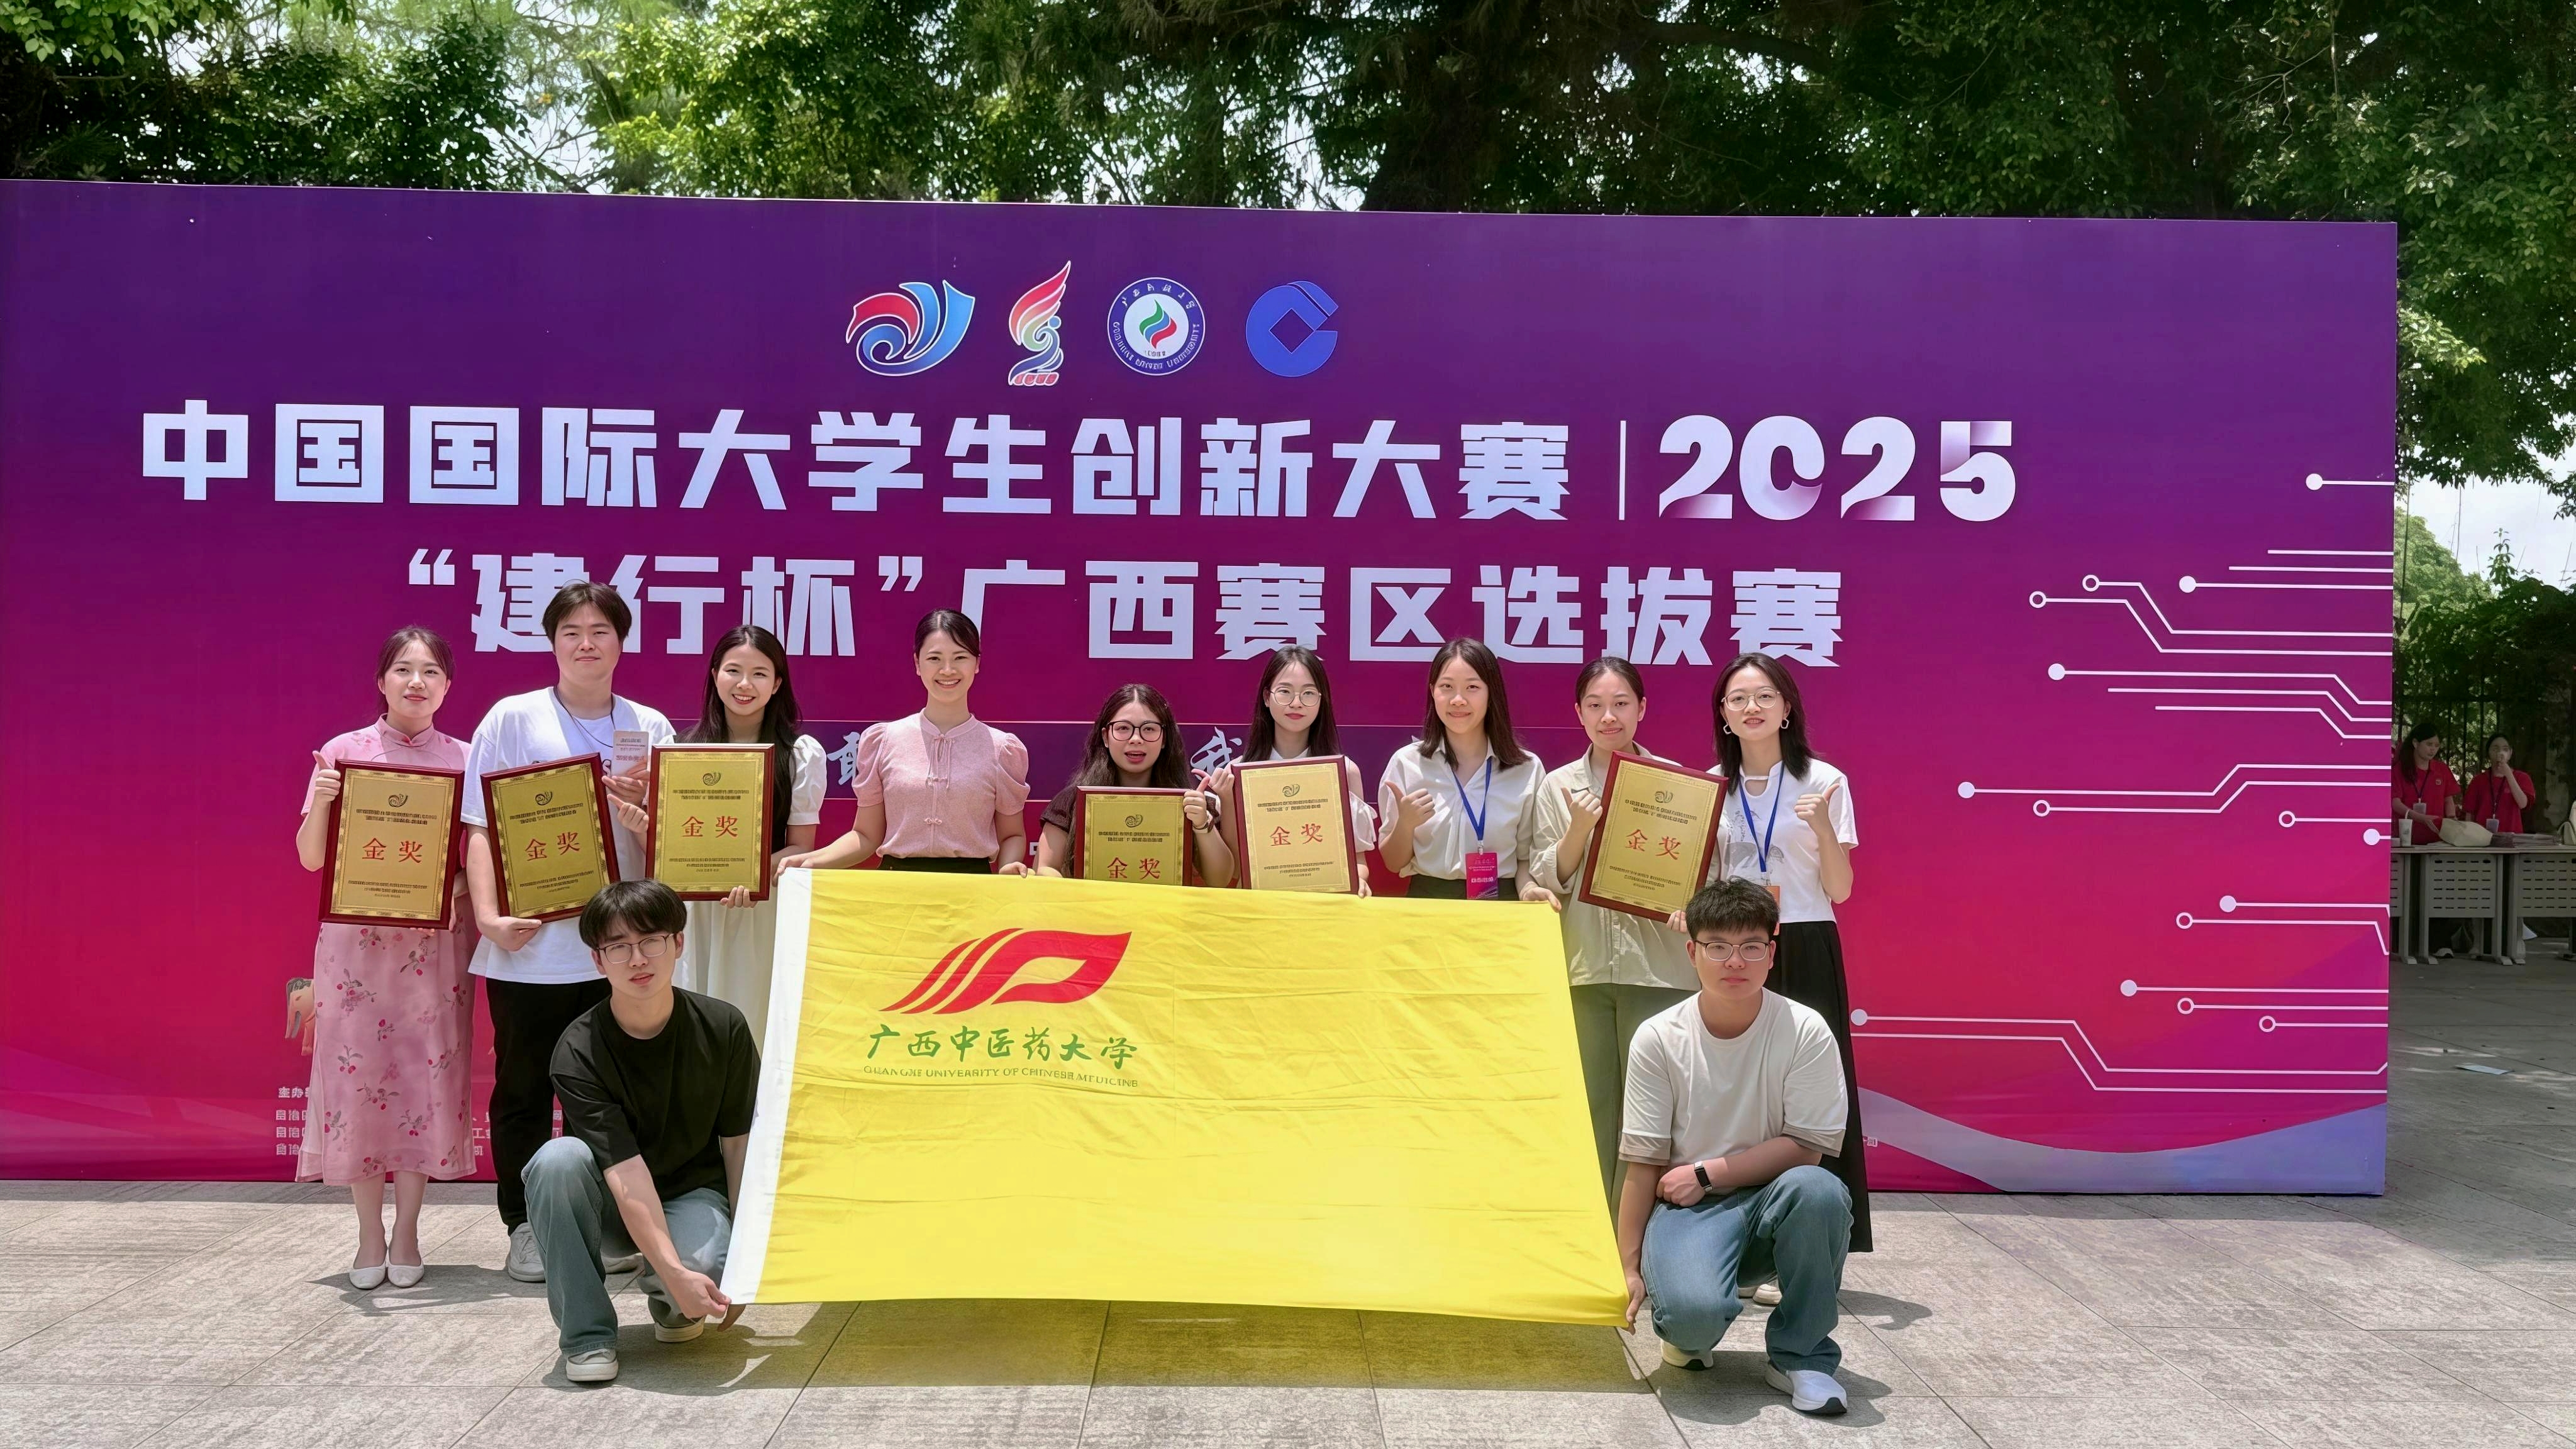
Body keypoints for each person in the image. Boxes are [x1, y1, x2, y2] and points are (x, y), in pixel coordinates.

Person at [462, 580, 675, 1282]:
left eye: (601, 631)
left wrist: (645, 813)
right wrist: (489, 919)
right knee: (522, 1093)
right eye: (572, 632)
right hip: (531, 950)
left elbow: (669, 848)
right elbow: (480, 827)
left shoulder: (651, 727)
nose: (587, 644)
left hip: (618, 953)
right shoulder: (513, 718)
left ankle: (605, 1225)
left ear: (622, 642)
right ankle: (525, 1227)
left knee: (609, 1097)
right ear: (552, 643)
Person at [1619, 879, 1852, 1416]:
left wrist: (1706, 1172)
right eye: (1718, 946)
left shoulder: (1805, 1030)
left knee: (1818, 1190)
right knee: (1691, 1322)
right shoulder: (1658, 1036)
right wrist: (1626, 1266)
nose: (1734, 962)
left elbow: (1808, 1147)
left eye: (1751, 946)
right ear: (1692, 952)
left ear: (1772, 953)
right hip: (1691, 1212)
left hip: (1776, 1199)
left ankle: (1803, 1357)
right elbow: (1643, 1162)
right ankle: (1690, 1326)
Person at [292, 626, 478, 1289]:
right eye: (403, 669)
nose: (416, 682)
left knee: (422, 1079)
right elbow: (311, 858)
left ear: (448, 686)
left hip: (433, 949)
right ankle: (369, 1232)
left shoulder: (466, 759)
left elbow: (480, 862)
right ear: (381, 680)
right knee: (359, 1081)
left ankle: (408, 1232)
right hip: (355, 952)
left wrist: (455, 888)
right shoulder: (344, 753)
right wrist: (322, 800)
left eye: (431, 671)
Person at [524, 880, 757, 1385]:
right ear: (597, 960)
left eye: (651, 940)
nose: (637, 959)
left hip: (693, 1193)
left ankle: (675, 1308)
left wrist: (746, 1263)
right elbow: (625, 1173)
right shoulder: (578, 1050)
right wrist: (672, 1270)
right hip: (610, 1201)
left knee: (702, 1279)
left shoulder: (724, 1027)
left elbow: (739, 1147)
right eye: (618, 947)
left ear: (678, 943)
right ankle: (587, 1336)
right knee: (556, 1162)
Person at [1523, 657, 1705, 1206]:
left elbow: (1699, 873)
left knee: (1654, 1110)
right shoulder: (1557, 786)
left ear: (1642, 708)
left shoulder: (1676, 783)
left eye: (1621, 703)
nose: (1609, 716)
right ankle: (1597, 1231)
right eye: (1596, 705)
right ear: (1578, 713)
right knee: (1593, 1106)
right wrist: (1579, 829)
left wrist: (1687, 902)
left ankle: (1650, 1234)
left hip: (1660, 970)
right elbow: (1545, 877)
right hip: (1584, 968)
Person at [1707, 652, 1870, 1253]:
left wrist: (1824, 829)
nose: (1751, 708)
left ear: (1786, 709)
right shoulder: (1710, 787)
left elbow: (1841, 889)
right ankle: (1739, 1242)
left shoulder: (1825, 781)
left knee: (1813, 1090)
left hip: (1803, 940)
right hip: (1736, 949)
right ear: (1724, 715)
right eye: (1738, 699)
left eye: (1764, 696)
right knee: (1741, 1091)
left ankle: (1812, 1244)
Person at [780, 609, 1030, 876]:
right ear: (917, 663)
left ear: (977, 663)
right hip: (897, 887)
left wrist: (1008, 868)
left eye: (960, 658)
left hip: (973, 887)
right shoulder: (885, 740)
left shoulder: (1001, 749)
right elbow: (865, 836)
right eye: (934, 658)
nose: (947, 670)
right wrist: (811, 861)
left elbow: (1011, 835)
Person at [672, 626, 824, 1052]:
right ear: (715, 675)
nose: (744, 684)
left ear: (777, 684)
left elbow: (802, 847)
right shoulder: (679, 749)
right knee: (693, 1028)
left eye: (759, 674)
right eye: (733, 670)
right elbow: (670, 845)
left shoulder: (799, 754)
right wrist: (638, 819)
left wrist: (750, 876)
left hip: (760, 907)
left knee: (751, 1026)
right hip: (696, 912)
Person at [1377, 637, 1548, 902]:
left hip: (1501, 905)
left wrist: (1528, 890)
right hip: (1429, 902)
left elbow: (1526, 857)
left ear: (1491, 693)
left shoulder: (1526, 769)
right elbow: (1393, 863)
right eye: (1447, 687)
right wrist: (1406, 824)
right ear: (1433, 691)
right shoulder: (1407, 763)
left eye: (1472, 687)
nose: (1458, 700)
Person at [1206, 645, 1377, 894]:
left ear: (1321, 700)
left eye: (1308, 693)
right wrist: (1227, 798)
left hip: (1322, 905)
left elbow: (1358, 861)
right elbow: (1236, 870)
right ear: (1267, 698)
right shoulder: (1238, 772)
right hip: (1261, 906)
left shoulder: (1344, 772)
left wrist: (1358, 880)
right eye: (1285, 692)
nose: (1296, 703)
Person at [1033, 684, 1234, 885]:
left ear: (1164, 739)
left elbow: (1220, 881)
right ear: (1106, 737)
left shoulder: (1190, 803)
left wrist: (1201, 824)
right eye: (1123, 728)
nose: (1136, 739)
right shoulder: (1071, 802)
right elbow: (1044, 869)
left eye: (1149, 729)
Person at [2393, 724, 2458, 845]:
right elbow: (2395, 803)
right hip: (2406, 838)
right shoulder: (2399, 769)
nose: (2433, 749)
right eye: (2429, 744)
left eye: (2437, 746)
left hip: (2437, 839)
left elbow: (2448, 800)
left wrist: (2452, 819)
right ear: (2415, 743)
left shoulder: (2442, 769)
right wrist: (2419, 817)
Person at [2463, 733, 2534, 836]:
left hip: (2512, 838)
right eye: (2495, 749)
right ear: (2489, 752)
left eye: (2505, 749)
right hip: (2483, 839)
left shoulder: (2521, 777)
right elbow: (2469, 813)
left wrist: (2509, 774)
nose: (2500, 753)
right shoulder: (2478, 780)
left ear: (2510, 753)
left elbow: (2523, 804)